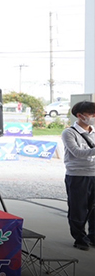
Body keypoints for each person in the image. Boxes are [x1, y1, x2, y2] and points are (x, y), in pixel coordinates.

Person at [61, 101, 95, 251]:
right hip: (77, 175)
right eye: (91, 114)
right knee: (78, 209)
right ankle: (80, 238)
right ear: (80, 116)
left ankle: (93, 237)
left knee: (93, 209)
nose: (94, 117)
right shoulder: (69, 133)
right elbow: (77, 152)